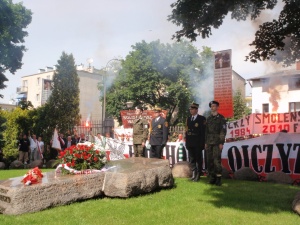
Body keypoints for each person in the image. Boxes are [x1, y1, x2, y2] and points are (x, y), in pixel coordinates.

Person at [205, 100, 227, 186]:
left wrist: (221, 142)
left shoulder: (221, 118)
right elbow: (206, 131)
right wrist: (206, 142)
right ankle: (212, 177)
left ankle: (218, 178)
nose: (212, 108)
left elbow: (223, 131)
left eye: (214, 106)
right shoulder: (208, 118)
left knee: (216, 161)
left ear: (217, 107)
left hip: (217, 142)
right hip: (209, 142)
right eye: (211, 106)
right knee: (209, 160)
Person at [185, 103, 206, 182]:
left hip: (197, 142)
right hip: (190, 141)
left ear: (196, 110)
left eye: (192, 109)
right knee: (192, 159)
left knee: (198, 159)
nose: (191, 110)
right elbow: (187, 132)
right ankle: (193, 173)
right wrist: (187, 142)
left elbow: (203, 132)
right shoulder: (188, 119)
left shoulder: (201, 119)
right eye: (190, 109)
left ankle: (198, 174)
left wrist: (202, 143)